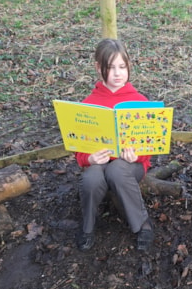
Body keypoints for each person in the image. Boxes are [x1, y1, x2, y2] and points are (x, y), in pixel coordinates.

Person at [75, 39, 154, 251]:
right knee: (91, 178)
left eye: (122, 67)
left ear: (129, 66)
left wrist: (135, 156)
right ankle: (88, 227)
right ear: (98, 68)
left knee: (117, 169)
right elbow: (80, 148)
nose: (117, 73)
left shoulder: (140, 101)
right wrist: (88, 159)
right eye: (110, 68)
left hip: (129, 165)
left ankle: (142, 225)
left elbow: (149, 148)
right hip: (99, 163)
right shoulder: (89, 103)